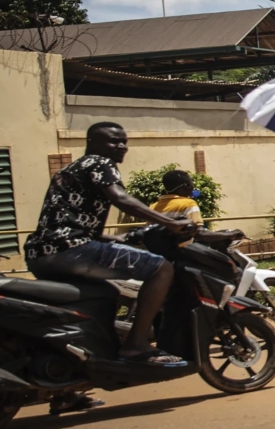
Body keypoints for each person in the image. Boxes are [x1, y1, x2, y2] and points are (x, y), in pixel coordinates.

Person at [24, 122, 193, 367]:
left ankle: (78, 372)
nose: (121, 146)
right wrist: (168, 222)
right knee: (161, 268)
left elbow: (66, 220)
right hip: (72, 250)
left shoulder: (70, 170)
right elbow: (120, 198)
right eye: (113, 141)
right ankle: (137, 344)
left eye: (124, 141)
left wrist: (115, 238)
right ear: (92, 143)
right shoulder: (98, 162)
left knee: (103, 294)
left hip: (42, 253)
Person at [152, 170, 242, 246]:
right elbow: (200, 234)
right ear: (183, 188)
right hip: (182, 255)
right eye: (191, 186)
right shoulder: (188, 204)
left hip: (158, 254)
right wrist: (231, 234)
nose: (193, 189)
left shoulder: (153, 206)